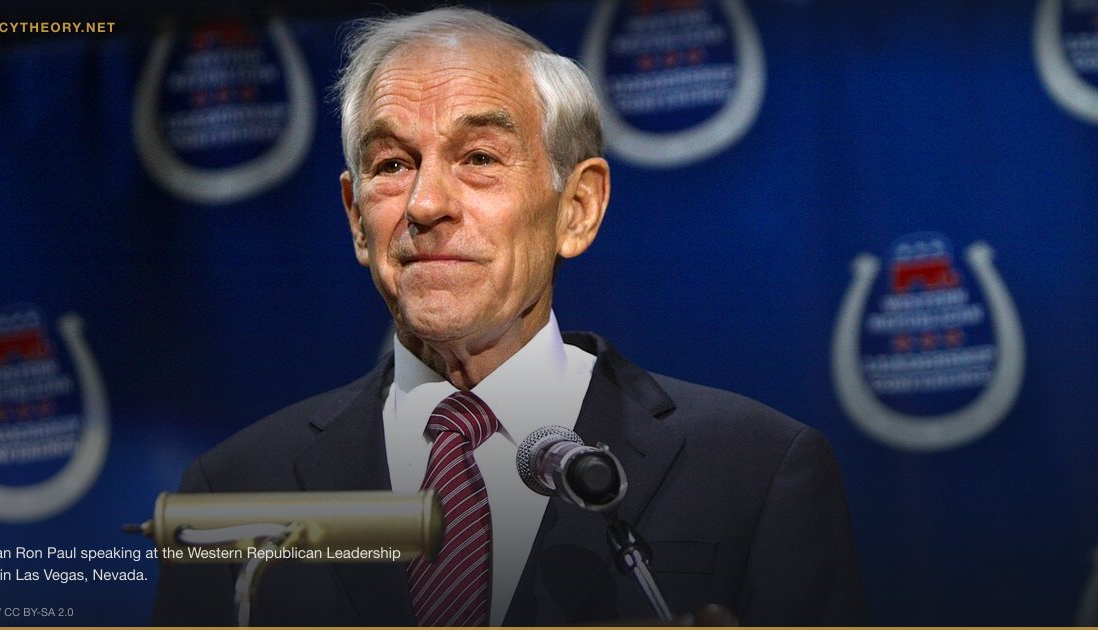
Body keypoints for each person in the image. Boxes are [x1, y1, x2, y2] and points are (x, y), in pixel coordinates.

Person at [153, 6, 868, 626]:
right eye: (393, 164)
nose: (426, 204)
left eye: (480, 157)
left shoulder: (755, 471)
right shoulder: (236, 491)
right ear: (356, 221)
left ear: (576, 208)